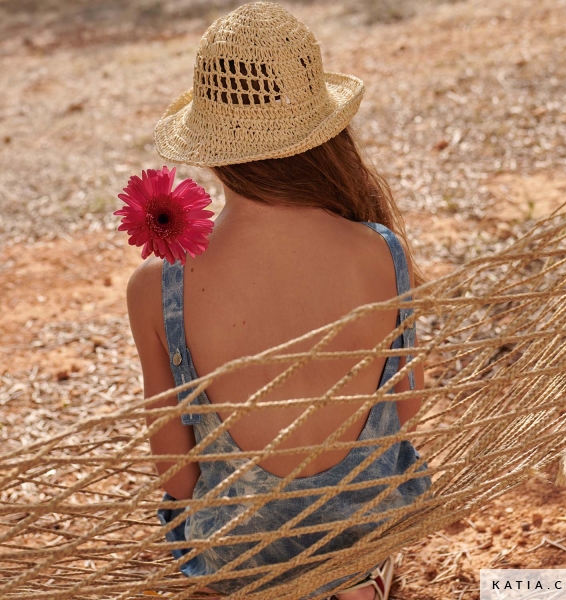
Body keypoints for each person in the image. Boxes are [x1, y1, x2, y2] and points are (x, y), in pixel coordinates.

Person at [126, 3, 431, 598]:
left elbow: (179, 479)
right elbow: (407, 405)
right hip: (365, 522)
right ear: (323, 131)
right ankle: (354, 579)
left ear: (209, 143)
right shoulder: (379, 249)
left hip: (242, 553)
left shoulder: (159, 285)